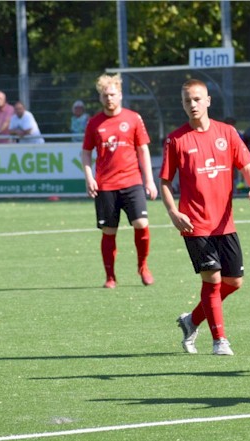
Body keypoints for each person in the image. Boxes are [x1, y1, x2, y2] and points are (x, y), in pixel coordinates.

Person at [162, 79, 250, 356]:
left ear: (208, 101)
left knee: (234, 282)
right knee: (213, 279)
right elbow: (165, 182)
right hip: (195, 223)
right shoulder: (176, 139)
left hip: (224, 223)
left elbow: (247, 166)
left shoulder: (227, 133)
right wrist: (173, 212)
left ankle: (192, 320)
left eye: (196, 99)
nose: (192, 105)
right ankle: (220, 341)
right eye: (187, 101)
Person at [81, 74, 158, 289]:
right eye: (105, 95)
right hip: (105, 185)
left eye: (113, 94)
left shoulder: (133, 118)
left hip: (132, 181)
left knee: (141, 224)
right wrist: (89, 178)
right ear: (100, 98)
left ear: (120, 95)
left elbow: (143, 149)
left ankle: (143, 267)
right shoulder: (94, 123)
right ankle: (110, 277)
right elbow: (86, 153)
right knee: (109, 232)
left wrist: (149, 181)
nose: (109, 99)